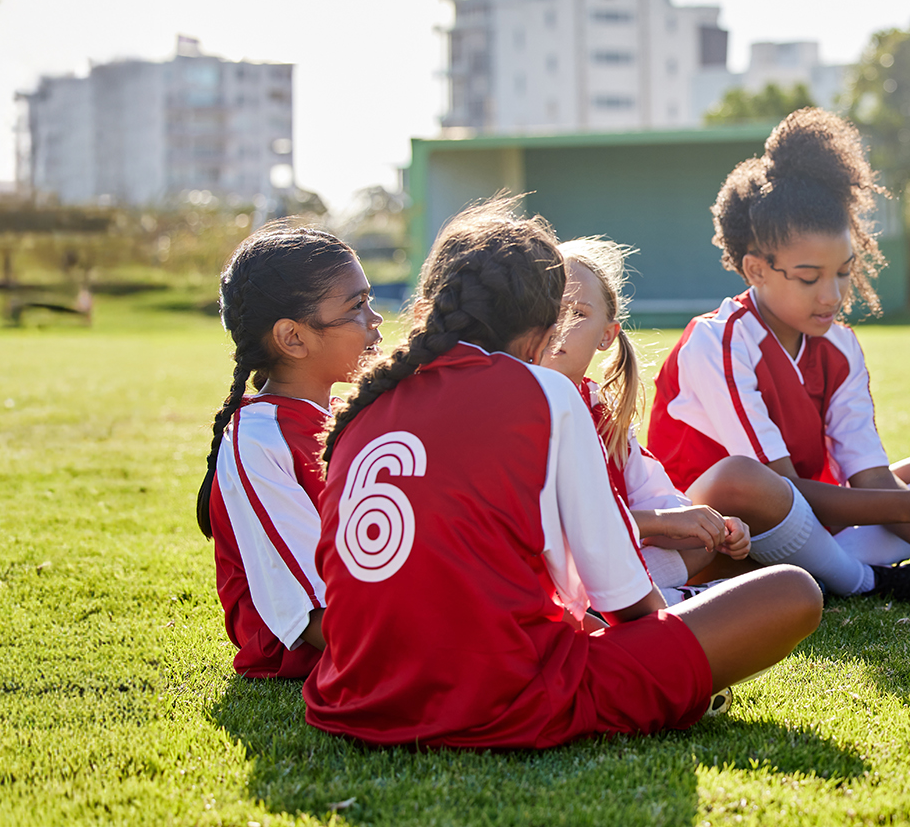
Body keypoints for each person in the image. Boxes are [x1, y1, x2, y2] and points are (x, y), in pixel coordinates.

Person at [303, 199, 821, 747]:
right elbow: (625, 601)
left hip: (352, 698)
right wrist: (673, 656)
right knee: (792, 592)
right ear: (543, 330)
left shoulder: (362, 407)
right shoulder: (545, 393)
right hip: (500, 700)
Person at [647, 108, 910, 601]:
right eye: (808, 277)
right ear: (756, 269)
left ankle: (822, 567)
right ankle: (864, 581)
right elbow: (777, 489)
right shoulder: (719, 341)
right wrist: (909, 509)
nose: (832, 295)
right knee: (745, 482)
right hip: (715, 535)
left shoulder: (839, 344)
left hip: (804, 523)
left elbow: (869, 474)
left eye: (843, 272)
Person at [196, 223, 381, 679]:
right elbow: (315, 615)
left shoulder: (351, 413)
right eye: (357, 306)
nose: (376, 319)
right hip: (318, 649)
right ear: (293, 338)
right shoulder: (258, 438)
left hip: (381, 616)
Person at [539, 235, 756, 601]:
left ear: (607, 336)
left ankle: (665, 601)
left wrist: (709, 525)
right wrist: (660, 522)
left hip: (603, 565)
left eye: (577, 313)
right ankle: (677, 603)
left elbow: (650, 495)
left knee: (698, 544)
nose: (558, 325)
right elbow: (562, 525)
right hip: (548, 574)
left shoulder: (601, 409)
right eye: (547, 309)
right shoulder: (518, 407)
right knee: (771, 595)